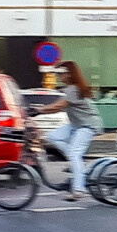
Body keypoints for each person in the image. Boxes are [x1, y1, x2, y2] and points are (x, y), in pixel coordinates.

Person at [35, 60, 103, 201]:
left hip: (87, 125)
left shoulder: (74, 89)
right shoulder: (70, 89)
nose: (60, 77)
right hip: (76, 125)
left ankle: (79, 189)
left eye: (62, 74)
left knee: (75, 153)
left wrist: (38, 110)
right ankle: (78, 165)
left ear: (70, 74)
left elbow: (58, 106)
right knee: (53, 136)